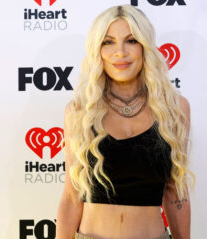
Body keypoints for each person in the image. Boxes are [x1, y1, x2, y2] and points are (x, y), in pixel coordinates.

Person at [56, 4, 195, 239]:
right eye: (108, 42)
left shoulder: (175, 109)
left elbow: (175, 194)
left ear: (145, 48)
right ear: (97, 50)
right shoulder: (79, 112)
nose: (120, 52)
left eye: (131, 40)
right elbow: (71, 195)